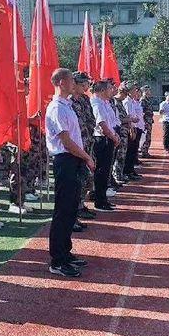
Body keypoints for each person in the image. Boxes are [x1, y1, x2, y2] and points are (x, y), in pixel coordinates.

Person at [45, 69, 94, 279]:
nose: (74, 83)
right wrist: (87, 157)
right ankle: (57, 260)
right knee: (63, 211)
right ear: (61, 82)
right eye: (71, 80)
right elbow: (66, 141)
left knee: (71, 209)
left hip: (73, 160)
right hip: (65, 160)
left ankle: (66, 253)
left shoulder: (67, 105)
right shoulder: (56, 108)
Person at [69, 72, 97, 224]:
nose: (86, 86)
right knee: (76, 180)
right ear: (75, 84)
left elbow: (91, 118)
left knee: (86, 177)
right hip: (75, 147)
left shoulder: (85, 99)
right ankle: (75, 211)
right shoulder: (68, 101)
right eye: (84, 83)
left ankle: (80, 205)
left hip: (87, 142)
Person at [90, 80, 121, 211]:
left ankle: (103, 199)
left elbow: (111, 122)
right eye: (109, 88)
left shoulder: (105, 103)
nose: (112, 90)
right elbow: (102, 124)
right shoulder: (97, 104)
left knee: (105, 171)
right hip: (102, 139)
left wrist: (115, 135)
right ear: (102, 91)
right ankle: (99, 201)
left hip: (109, 138)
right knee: (101, 171)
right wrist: (113, 137)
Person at [123, 83, 144, 180]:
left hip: (135, 128)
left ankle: (131, 170)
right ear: (129, 91)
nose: (136, 92)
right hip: (130, 129)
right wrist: (131, 130)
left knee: (133, 151)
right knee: (130, 152)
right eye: (134, 90)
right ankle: (128, 172)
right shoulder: (127, 102)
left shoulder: (131, 102)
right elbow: (128, 117)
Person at [139, 85, 155, 158]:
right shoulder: (143, 100)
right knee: (146, 137)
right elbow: (141, 112)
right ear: (145, 91)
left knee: (148, 137)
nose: (150, 91)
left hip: (149, 120)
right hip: (146, 121)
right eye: (148, 90)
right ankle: (144, 152)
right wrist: (143, 122)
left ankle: (145, 151)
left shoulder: (147, 100)